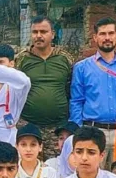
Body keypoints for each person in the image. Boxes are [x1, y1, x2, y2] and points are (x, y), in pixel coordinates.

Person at [71, 18, 116, 164]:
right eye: (102, 34)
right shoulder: (82, 67)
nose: (107, 38)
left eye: (111, 33)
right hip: (93, 132)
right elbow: (76, 102)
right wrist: (77, 131)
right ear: (95, 37)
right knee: (92, 175)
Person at [16, 16, 73, 159]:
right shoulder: (22, 59)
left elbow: (71, 87)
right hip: (28, 124)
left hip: (58, 127)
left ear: (52, 34)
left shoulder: (65, 58)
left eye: (43, 32)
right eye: (35, 32)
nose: (38, 36)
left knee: (57, 166)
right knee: (29, 165)